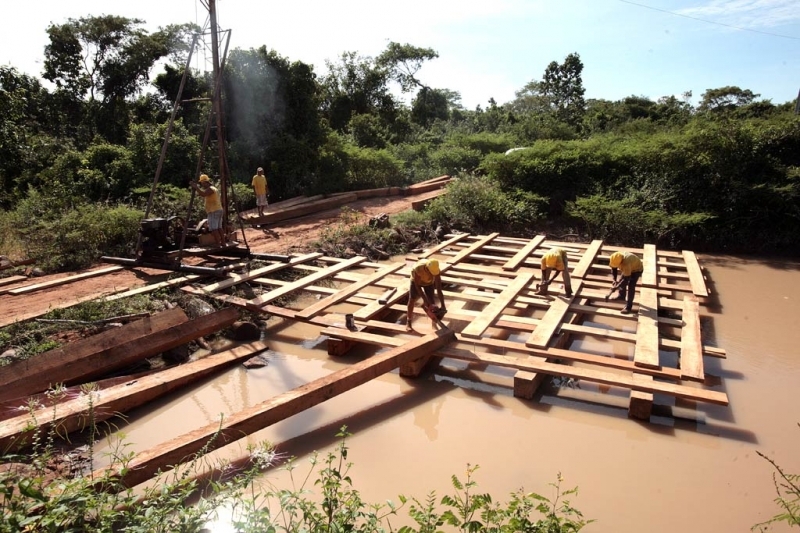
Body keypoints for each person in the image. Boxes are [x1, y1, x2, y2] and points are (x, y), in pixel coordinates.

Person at [406, 258, 446, 331]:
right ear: (427, 269)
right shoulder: (418, 269)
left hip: (429, 283)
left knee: (432, 302)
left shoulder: (436, 270)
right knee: (412, 299)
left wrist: (443, 306)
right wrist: (425, 300)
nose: (432, 274)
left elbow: (439, 289)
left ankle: (434, 324)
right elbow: (418, 286)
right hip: (416, 282)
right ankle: (408, 322)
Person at [190, 174, 226, 247]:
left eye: (202, 183)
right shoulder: (213, 188)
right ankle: (223, 242)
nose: (202, 185)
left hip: (213, 211)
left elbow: (203, 194)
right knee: (219, 227)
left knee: (214, 228)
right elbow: (202, 193)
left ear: (205, 182)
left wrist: (196, 187)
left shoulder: (210, 189)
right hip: (218, 209)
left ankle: (218, 244)